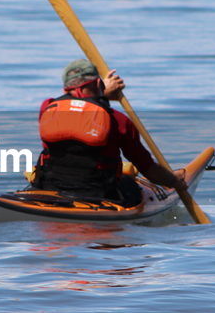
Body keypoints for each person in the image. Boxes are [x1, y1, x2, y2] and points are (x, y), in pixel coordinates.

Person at [33, 59, 186, 205]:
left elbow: (79, 109)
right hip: (98, 194)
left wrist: (102, 94)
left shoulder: (47, 108)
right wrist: (173, 181)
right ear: (99, 83)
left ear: (65, 87)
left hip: (49, 188)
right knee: (130, 184)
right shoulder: (119, 120)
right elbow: (148, 169)